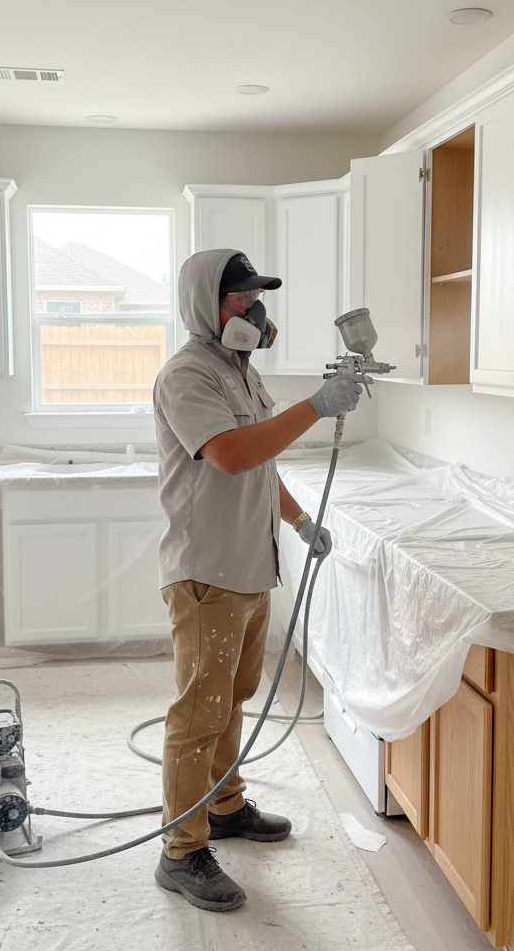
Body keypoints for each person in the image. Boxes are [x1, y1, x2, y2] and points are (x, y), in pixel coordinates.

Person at [151, 248, 363, 912]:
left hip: (248, 567)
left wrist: (298, 521)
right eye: (238, 298)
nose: (253, 308)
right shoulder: (187, 375)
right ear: (204, 306)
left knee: (232, 698)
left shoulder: (240, 372)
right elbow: (233, 455)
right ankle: (180, 851)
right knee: (199, 714)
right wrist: (317, 405)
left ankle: (224, 806)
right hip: (207, 572)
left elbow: (263, 466)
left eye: (256, 296)